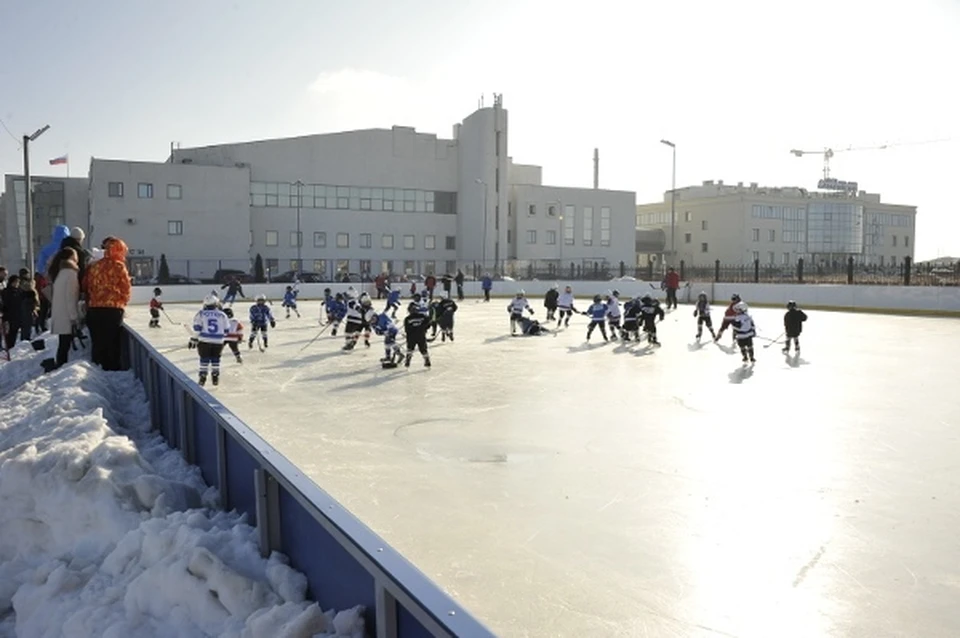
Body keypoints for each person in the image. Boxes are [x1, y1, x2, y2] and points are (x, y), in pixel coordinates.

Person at [83, 237, 132, 371]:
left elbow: (87, 285)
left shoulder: (95, 265)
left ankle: (97, 367)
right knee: (112, 341)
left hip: (95, 308)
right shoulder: (118, 266)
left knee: (98, 341)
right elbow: (125, 287)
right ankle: (112, 367)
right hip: (113, 309)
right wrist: (123, 301)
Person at [189, 295, 230, 386]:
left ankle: (203, 376)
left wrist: (193, 339)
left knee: (204, 359)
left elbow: (197, 329)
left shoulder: (201, 313)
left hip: (204, 341)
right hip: (218, 341)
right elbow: (227, 329)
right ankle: (215, 376)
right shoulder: (222, 315)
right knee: (216, 359)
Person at [403, 302, 431, 368]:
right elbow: (428, 324)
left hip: (411, 337)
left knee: (410, 349)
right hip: (421, 335)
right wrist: (423, 329)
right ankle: (427, 360)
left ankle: (408, 361)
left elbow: (407, 330)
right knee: (423, 349)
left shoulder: (407, 319)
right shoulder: (423, 316)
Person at [1, 275, 22, 351]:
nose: (17, 284)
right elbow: (4, 304)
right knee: (8, 334)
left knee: (14, 333)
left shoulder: (19, 291)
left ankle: (11, 348)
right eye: (16, 282)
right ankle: (8, 349)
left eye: (18, 282)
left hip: (17, 315)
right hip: (8, 316)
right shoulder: (6, 291)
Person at [18, 277, 40, 342]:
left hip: (25, 311)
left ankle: (24, 338)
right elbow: (35, 302)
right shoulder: (32, 292)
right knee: (27, 325)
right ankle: (26, 338)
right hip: (29, 310)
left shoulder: (22, 292)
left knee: (25, 326)